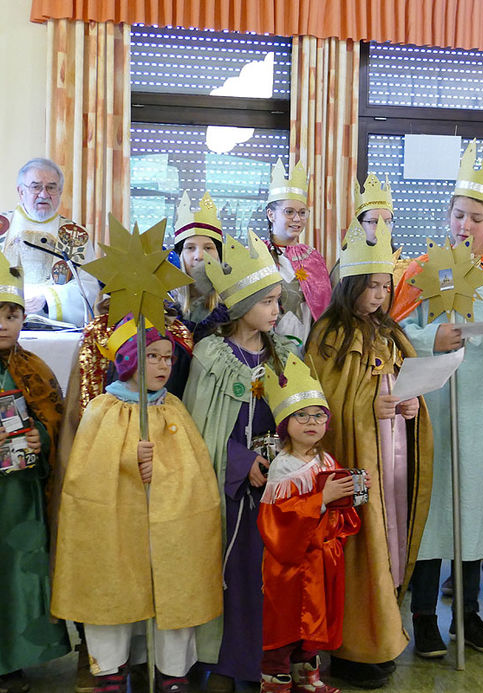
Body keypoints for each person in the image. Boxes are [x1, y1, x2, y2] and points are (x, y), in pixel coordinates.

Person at [391, 141, 483, 656]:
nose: (464, 225)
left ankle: (468, 617)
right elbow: (395, 336)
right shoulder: (423, 269)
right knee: (432, 510)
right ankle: (425, 617)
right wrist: (433, 340)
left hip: (482, 412)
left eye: (476, 217)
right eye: (457, 214)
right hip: (434, 409)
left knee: (472, 510)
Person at [52, 314, 222, 693]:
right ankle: (110, 671)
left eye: (167, 358)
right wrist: (129, 460)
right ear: (129, 361)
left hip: (168, 523)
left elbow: (191, 472)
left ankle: (172, 672)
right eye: (153, 357)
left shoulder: (173, 408)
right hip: (116, 524)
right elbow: (90, 475)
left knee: (172, 588)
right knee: (112, 584)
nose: (163, 366)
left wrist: (160, 466)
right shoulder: (102, 408)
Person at [307, 218, 433, 688]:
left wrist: (411, 403)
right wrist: (366, 406)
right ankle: (355, 647)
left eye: (386, 285)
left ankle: (383, 634)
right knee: (360, 548)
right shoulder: (328, 336)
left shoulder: (391, 332)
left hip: (394, 458)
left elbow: (410, 380)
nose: (380, 295)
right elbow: (319, 402)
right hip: (358, 460)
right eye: (372, 286)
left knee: (391, 543)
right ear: (352, 284)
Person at [183, 231, 295, 690]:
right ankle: (222, 664)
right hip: (230, 493)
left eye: (278, 301)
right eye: (268, 301)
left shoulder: (283, 354)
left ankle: (262, 660)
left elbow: (295, 413)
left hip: (273, 486)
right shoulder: (212, 356)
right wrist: (238, 462)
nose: (276, 310)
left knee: (264, 579)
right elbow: (199, 426)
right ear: (243, 303)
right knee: (230, 577)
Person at [257, 353, 361, 693]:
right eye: (301, 416)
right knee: (286, 622)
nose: (311, 422)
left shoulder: (326, 459)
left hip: (319, 561)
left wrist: (353, 491)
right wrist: (322, 498)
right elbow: (277, 518)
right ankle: (275, 678)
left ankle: (308, 677)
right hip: (290, 563)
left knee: (313, 623)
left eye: (318, 415)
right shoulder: (283, 467)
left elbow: (338, 508)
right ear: (285, 423)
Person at [0, 252, 71, 693]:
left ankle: (13, 659)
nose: (4, 323)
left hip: (20, 498)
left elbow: (55, 422)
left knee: (19, 575)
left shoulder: (35, 370)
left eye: (12, 313)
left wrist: (39, 441)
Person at [0, 158, 98, 325]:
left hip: (55, 329)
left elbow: (88, 285)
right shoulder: (3, 226)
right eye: (36, 187)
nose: (44, 194)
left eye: (51, 187)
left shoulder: (75, 235)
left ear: (59, 192)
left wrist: (48, 299)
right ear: (21, 191)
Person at [264, 158, 332, 351]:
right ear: (271, 214)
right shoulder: (259, 254)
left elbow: (324, 307)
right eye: (289, 212)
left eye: (302, 213)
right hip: (267, 347)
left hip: (308, 346)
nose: (297, 219)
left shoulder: (312, 258)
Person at [172, 191, 227, 343]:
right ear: (180, 255)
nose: (199, 256)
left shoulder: (233, 307)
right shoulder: (166, 307)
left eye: (208, 248)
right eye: (190, 248)